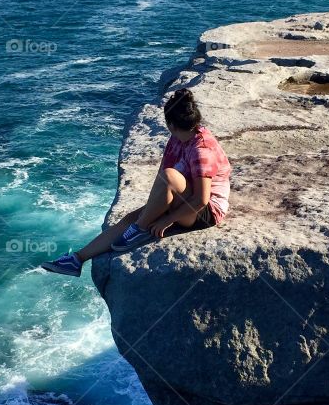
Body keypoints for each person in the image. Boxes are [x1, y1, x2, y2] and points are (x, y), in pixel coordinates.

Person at [41, 88, 231, 277]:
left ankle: (139, 229)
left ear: (171, 124)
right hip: (183, 200)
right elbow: (162, 178)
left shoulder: (201, 149)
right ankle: (77, 259)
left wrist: (166, 220)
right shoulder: (177, 139)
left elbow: (201, 199)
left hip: (206, 212)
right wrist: (155, 208)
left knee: (167, 180)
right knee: (129, 219)